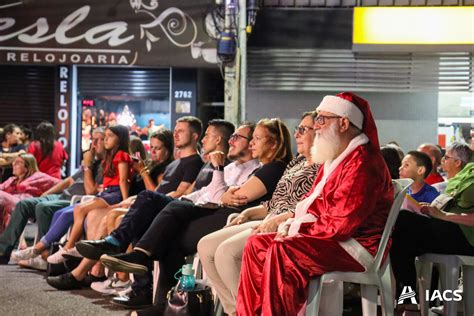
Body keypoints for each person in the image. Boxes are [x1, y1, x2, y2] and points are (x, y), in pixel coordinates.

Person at [99, 118, 292, 311]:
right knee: (164, 222)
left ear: (273, 143)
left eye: (257, 138)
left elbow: (238, 196)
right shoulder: (257, 168)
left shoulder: (273, 168)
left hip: (231, 217)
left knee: (170, 223)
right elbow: (218, 194)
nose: (251, 143)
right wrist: (226, 193)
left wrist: (223, 183)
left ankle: (159, 290)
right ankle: (163, 301)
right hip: (221, 211)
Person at [235, 92, 393, 315]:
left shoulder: (363, 162)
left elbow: (341, 223)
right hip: (330, 237)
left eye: (321, 119)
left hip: (356, 245)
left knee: (284, 250)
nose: (316, 127)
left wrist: (295, 228)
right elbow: (315, 206)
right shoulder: (337, 157)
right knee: (256, 244)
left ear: (344, 123)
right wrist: (291, 222)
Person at [46, 119, 233, 293]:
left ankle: (115, 271)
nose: (176, 134)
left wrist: (145, 176)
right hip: (178, 204)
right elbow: (195, 191)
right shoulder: (200, 164)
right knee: (109, 211)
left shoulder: (205, 163)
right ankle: (105, 267)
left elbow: (204, 195)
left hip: (192, 212)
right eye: (174, 131)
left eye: (181, 131)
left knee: (126, 211)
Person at [197, 111, 319, 315]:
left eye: (303, 130)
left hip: (287, 225)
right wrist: (248, 214)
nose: (297, 134)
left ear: (320, 133)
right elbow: (273, 203)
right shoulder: (296, 163)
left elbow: (311, 207)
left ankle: (248, 311)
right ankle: (234, 310)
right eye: (297, 129)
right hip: (270, 216)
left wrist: (274, 219)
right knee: (205, 246)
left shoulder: (322, 167)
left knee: (226, 253)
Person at [0, 128, 105, 266]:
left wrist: (87, 167)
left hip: (75, 200)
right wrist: (46, 194)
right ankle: (3, 252)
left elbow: (91, 191)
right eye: (93, 139)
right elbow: (68, 181)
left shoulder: (100, 166)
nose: (93, 143)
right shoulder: (91, 161)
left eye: (98, 140)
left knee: (42, 207)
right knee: (23, 204)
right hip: (61, 195)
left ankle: (43, 253)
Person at [391, 142, 473, 303]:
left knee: (403, 223)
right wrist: (434, 211)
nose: (443, 161)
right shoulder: (467, 173)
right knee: (400, 224)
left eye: (447, 157)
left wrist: (444, 215)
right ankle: (410, 301)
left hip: (464, 236)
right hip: (449, 227)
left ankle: (409, 302)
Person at [45, 125, 132, 263]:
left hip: (114, 194)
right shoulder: (108, 158)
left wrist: (126, 201)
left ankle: (69, 246)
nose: (105, 140)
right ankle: (72, 246)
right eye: (106, 136)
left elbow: (123, 180)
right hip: (107, 192)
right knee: (79, 209)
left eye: (109, 137)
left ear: (120, 139)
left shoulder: (122, 155)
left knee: (80, 209)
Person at [0, 154, 61, 234]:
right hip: (10, 208)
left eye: (18, 162)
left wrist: (47, 194)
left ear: (27, 166)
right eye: (14, 162)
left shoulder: (38, 177)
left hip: (25, 205)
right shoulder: (12, 180)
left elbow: (61, 184)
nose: (13, 164)